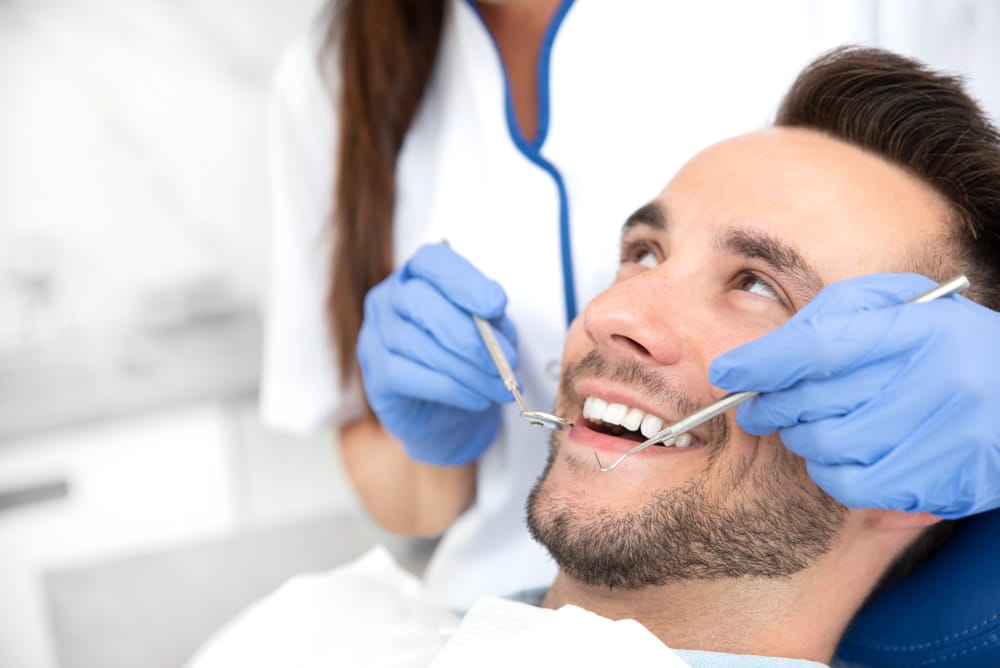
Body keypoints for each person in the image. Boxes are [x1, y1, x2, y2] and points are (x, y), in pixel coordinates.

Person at [194, 45, 1000, 668]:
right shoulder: (313, 632)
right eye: (644, 253)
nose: (612, 314)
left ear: (922, 455)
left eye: (757, 284)